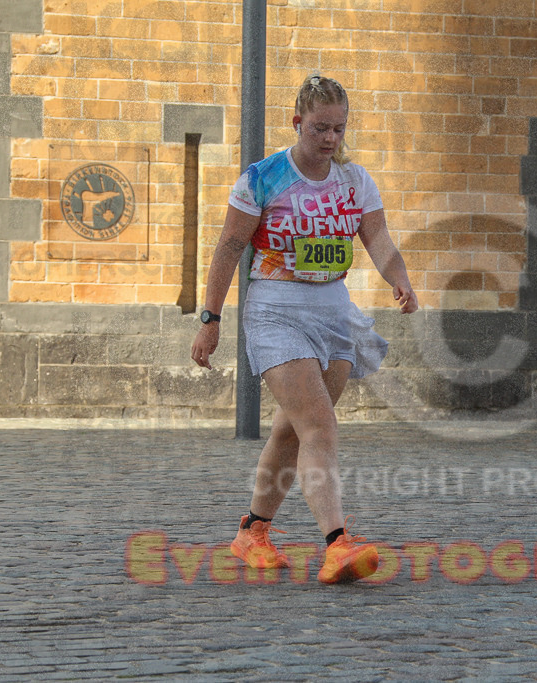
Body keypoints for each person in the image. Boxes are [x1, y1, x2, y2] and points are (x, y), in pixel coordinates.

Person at [191, 74, 418, 584]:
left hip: (334, 313)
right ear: (298, 122)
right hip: (277, 310)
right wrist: (210, 319)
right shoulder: (263, 177)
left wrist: (399, 279)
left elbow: (377, 238)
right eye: (319, 128)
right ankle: (338, 542)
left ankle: (252, 530)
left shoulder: (355, 181)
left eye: (338, 128)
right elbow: (229, 247)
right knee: (319, 424)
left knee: (293, 429)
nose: (330, 139)